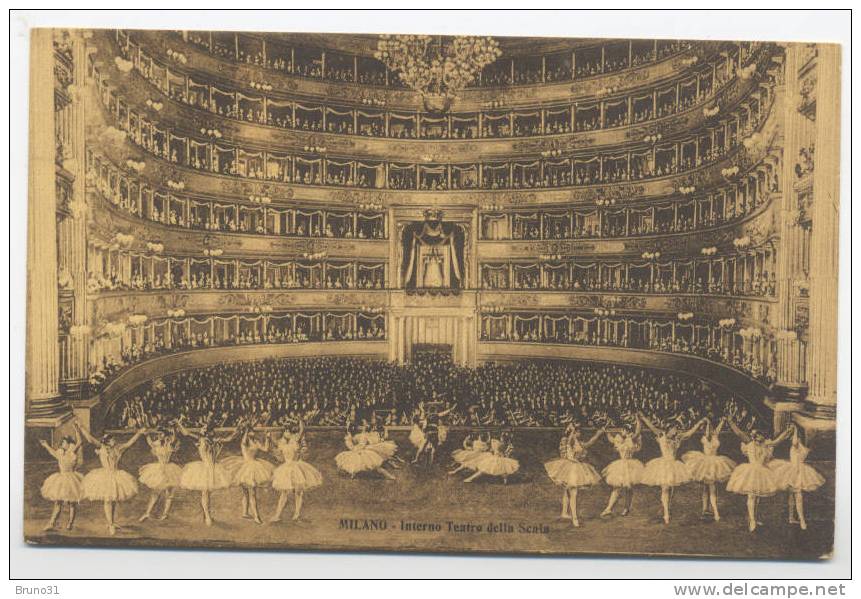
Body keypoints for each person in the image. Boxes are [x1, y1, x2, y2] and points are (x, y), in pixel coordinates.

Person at [76, 420, 146, 535]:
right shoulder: (102, 447)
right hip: (105, 476)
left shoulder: (118, 448)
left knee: (113, 500)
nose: (115, 441)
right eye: (113, 439)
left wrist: (139, 433)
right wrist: (81, 427)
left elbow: (130, 443)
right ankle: (110, 524)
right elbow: (89, 439)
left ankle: (112, 522)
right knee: (108, 500)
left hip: (116, 474)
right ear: (107, 442)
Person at [726, 419, 793, 532]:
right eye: (754, 435)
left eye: (758, 434)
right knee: (752, 495)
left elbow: (778, 441)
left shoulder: (766, 444)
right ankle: (752, 520)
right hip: (750, 472)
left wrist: (788, 431)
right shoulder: (749, 443)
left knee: (757, 497)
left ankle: (754, 518)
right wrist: (730, 422)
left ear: (762, 435)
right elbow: (739, 433)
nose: (755, 436)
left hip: (762, 472)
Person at [639, 413, 705, 524]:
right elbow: (651, 427)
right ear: (669, 429)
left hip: (674, 465)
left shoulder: (678, 438)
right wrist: (643, 417)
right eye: (675, 428)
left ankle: (666, 508)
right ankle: (666, 514)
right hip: (663, 464)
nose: (676, 430)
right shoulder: (661, 435)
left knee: (671, 488)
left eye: (677, 428)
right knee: (665, 488)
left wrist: (699, 423)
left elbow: (689, 433)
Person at [177, 419, 240, 526]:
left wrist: (238, 429)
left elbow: (229, 439)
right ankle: (207, 516)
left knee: (208, 493)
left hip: (213, 468)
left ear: (209, 432)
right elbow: (186, 433)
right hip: (205, 468)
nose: (202, 429)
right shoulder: (201, 439)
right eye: (203, 428)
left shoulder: (214, 440)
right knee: (205, 492)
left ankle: (207, 514)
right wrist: (179, 423)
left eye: (205, 428)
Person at [545, 424, 604, 527]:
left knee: (568, 491)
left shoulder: (579, 443)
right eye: (578, 432)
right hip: (571, 468)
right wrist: (572, 429)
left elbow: (590, 443)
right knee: (573, 493)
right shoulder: (570, 441)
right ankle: (574, 518)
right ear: (575, 433)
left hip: (575, 466)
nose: (580, 434)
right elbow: (570, 440)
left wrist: (598, 434)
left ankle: (564, 513)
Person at [767, 424, 825, 530]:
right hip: (792, 470)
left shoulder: (797, 443)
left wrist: (794, 429)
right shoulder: (803, 445)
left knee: (796, 495)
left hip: (798, 470)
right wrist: (793, 430)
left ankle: (797, 518)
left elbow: (793, 441)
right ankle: (796, 518)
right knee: (795, 495)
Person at [682, 417, 736, 522]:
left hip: (714, 463)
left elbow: (716, 431)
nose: (710, 429)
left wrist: (723, 421)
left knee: (711, 487)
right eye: (708, 427)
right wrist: (707, 422)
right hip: (705, 463)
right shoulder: (705, 437)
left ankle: (713, 510)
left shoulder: (715, 435)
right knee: (706, 488)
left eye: (711, 427)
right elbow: (708, 433)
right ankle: (706, 510)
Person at [220, 420, 274, 524]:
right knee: (250, 493)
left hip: (253, 466)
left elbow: (266, 449)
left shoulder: (255, 441)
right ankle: (256, 516)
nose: (254, 432)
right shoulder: (244, 441)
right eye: (251, 430)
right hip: (245, 467)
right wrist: (245, 428)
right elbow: (244, 438)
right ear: (246, 432)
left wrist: (268, 437)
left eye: (252, 430)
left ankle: (245, 512)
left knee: (248, 492)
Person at [270, 418, 323, 522]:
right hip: (286, 469)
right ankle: (277, 515)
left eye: (289, 431)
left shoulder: (295, 440)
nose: (287, 433)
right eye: (285, 431)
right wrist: (269, 437)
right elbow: (276, 448)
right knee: (284, 492)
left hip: (296, 467)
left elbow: (302, 430)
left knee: (298, 492)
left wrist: (300, 421)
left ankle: (297, 514)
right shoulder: (281, 442)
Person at [38, 427, 84, 531]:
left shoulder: (73, 452)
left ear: (69, 444)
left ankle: (70, 523)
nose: (63, 444)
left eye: (65, 442)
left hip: (72, 479)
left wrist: (77, 430)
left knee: (72, 503)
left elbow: (80, 441)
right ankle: (51, 523)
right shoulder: (60, 453)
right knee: (58, 502)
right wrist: (45, 445)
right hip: (61, 479)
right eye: (62, 442)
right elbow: (51, 451)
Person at [600, 415, 644, 518]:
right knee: (617, 487)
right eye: (622, 430)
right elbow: (611, 439)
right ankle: (609, 509)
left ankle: (626, 508)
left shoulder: (631, 439)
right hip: (621, 465)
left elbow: (637, 431)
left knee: (628, 488)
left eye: (623, 430)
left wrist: (638, 421)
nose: (621, 431)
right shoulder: (619, 438)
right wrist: (606, 431)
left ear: (627, 431)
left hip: (630, 465)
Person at [138, 427, 182, 522]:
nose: (159, 436)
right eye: (159, 434)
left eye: (161, 434)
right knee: (156, 493)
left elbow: (174, 441)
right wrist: (146, 434)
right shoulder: (157, 443)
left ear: (166, 435)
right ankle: (147, 513)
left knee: (169, 493)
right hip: (159, 469)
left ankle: (165, 514)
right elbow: (150, 443)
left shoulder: (169, 444)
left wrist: (173, 433)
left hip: (169, 469)